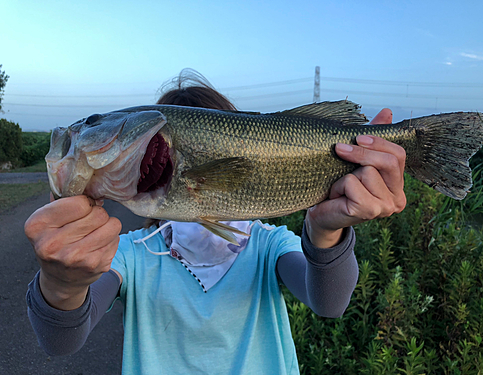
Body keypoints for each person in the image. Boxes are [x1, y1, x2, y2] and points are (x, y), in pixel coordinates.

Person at [25, 70, 406, 374]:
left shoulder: (268, 244)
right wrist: (62, 286)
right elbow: (61, 341)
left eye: (95, 123)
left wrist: (325, 230)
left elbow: (329, 301)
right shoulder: (130, 255)